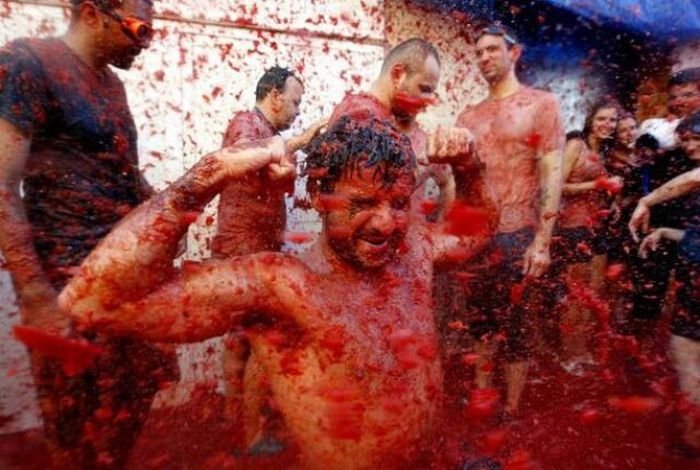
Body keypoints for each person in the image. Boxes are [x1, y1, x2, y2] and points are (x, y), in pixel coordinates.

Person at [59, 118, 488, 469]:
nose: (385, 224)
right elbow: (95, 301)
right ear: (320, 196)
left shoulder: (413, 248)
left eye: (397, 203)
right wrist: (212, 173)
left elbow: (476, 234)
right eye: (361, 204)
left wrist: (470, 167)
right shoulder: (281, 286)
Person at [0, 1, 178, 468]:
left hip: (123, 279)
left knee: (127, 408)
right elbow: (1, 184)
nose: (146, 44)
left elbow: (125, 177)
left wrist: (179, 205)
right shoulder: (27, 61)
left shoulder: (113, 86)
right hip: (66, 284)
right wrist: (37, 296)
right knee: (74, 431)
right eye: (139, 30)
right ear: (92, 13)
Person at [455, 24, 564, 415]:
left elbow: (552, 173)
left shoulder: (542, 104)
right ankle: (483, 391)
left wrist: (543, 241)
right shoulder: (468, 117)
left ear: (513, 53)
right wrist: (452, 239)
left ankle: (513, 409)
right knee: (479, 322)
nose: (484, 58)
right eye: (479, 53)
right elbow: (461, 184)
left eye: (492, 50)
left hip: (520, 233)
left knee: (518, 326)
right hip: (478, 237)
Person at [211, 67, 324, 445]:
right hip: (243, 251)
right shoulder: (246, 124)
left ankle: (236, 420)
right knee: (254, 337)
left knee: (241, 337)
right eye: (294, 101)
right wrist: (303, 139)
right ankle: (251, 432)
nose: (296, 111)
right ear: (274, 96)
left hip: (252, 250)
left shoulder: (270, 135)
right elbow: (247, 157)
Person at [328, 38, 493, 224]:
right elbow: (373, 192)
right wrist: (421, 166)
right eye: (424, 89)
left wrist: (434, 237)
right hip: (372, 244)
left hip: (406, 247)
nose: (429, 100)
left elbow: (447, 181)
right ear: (398, 75)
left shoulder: (407, 131)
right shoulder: (358, 116)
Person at [634, 111, 700, 456]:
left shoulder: (694, 176)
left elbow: (693, 178)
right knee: (685, 355)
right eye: (686, 140)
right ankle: (691, 438)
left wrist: (647, 200)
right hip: (692, 281)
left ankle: (692, 441)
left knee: (686, 354)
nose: (690, 147)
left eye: (697, 140)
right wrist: (665, 232)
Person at [555, 99, 621, 373]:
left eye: (612, 121)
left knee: (595, 292)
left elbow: (601, 189)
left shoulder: (605, 151)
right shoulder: (576, 145)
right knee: (577, 294)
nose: (607, 125)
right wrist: (597, 183)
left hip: (598, 226)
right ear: (591, 121)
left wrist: (612, 203)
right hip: (575, 226)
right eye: (602, 119)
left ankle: (582, 350)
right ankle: (570, 354)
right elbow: (557, 185)